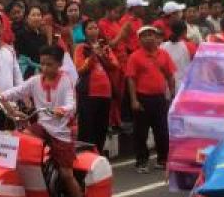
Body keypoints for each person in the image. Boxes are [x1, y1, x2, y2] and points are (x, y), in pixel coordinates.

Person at [0, 45, 91, 197]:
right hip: (42, 126)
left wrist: (63, 109)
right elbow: (17, 91)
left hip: (62, 131)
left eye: (50, 64)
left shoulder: (66, 80)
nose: (45, 68)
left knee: (66, 174)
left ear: (59, 64)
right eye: (42, 63)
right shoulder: (34, 81)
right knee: (22, 143)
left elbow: (71, 103)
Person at [125, 26, 176, 174]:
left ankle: (162, 159)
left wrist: (172, 94)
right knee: (141, 132)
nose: (149, 38)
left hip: (159, 98)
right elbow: (131, 80)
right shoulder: (135, 57)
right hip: (142, 98)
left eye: (151, 35)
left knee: (162, 130)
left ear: (156, 37)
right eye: (145, 36)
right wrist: (134, 100)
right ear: (139, 39)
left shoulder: (164, 55)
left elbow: (170, 75)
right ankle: (141, 161)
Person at [74, 18, 118, 155]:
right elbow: (80, 69)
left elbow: (115, 66)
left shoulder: (105, 47)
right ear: (85, 32)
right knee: (87, 127)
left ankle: (97, 154)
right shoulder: (81, 48)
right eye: (90, 28)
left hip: (105, 93)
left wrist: (103, 55)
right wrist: (93, 55)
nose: (94, 31)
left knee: (101, 127)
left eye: (95, 28)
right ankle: (85, 157)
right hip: (88, 93)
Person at [161, 19, 193, 91]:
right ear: (185, 31)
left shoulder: (162, 46)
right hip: (185, 85)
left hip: (167, 86)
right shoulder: (190, 46)